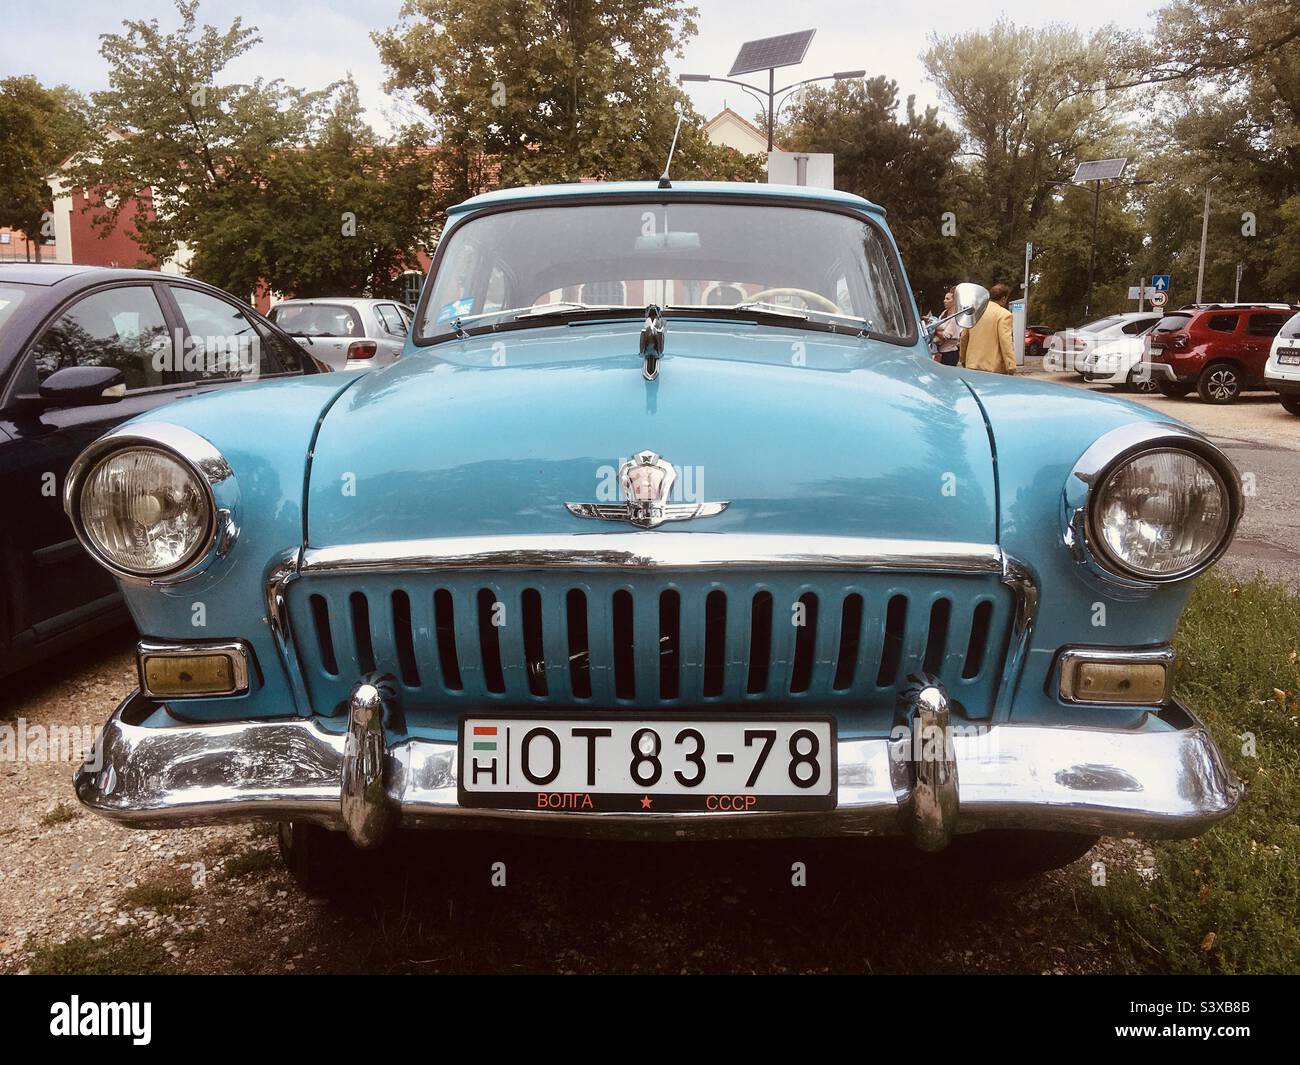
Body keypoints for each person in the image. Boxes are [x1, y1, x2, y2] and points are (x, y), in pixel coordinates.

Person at [959, 282, 1016, 374]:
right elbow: (1005, 341)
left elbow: (964, 337)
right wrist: (1010, 365)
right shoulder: (1004, 315)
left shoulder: (975, 312)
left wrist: (963, 359)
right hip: (993, 368)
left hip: (972, 365)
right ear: (1003, 298)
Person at [931, 287, 962, 366]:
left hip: (949, 354)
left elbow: (945, 336)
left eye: (947, 299)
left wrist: (934, 329)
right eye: (945, 299)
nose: (944, 301)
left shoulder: (955, 317)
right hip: (940, 352)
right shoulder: (944, 313)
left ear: (955, 301)